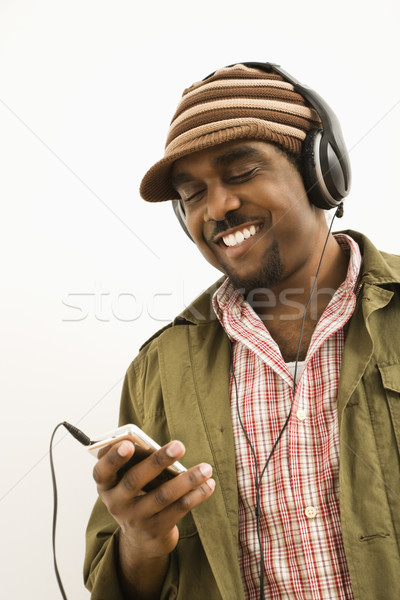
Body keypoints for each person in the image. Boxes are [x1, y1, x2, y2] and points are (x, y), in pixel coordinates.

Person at [84, 63, 400, 600]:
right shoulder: (157, 370)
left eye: (240, 173)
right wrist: (142, 541)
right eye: (192, 194)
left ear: (320, 172)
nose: (217, 207)